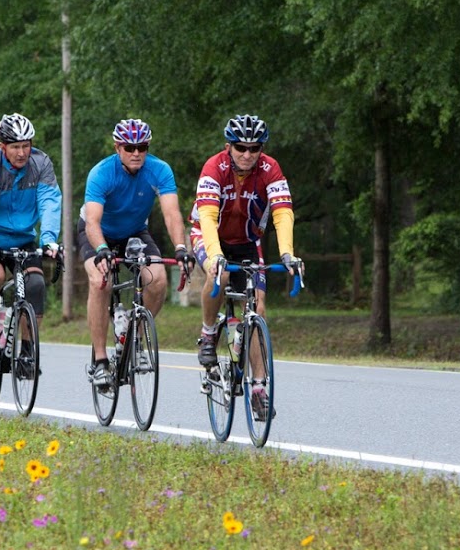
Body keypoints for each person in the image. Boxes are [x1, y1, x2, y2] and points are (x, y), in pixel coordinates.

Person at [190, 114, 301, 421]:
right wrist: (213, 257)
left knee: (258, 308)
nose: (248, 154)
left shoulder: (270, 169)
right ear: (229, 146)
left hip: (248, 241)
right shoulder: (214, 168)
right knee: (221, 274)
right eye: (241, 147)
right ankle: (209, 332)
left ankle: (259, 390)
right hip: (210, 235)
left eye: (255, 148)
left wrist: (288, 254)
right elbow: (208, 218)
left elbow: (282, 214)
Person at [77, 117, 193, 389]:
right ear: (118, 148)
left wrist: (180, 248)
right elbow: (92, 221)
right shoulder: (102, 172)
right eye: (129, 148)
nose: (136, 153)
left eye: (142, 147)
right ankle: (100, 360)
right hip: (98, 232)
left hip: (134, 231)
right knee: (100, 280)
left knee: (158, 279)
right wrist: (103, 249)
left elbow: (172, 213)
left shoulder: (159, 170)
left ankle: (134, 336)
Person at [0, 113, 62, 373]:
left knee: (36, 284)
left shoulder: (41, 163)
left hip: (24, 238)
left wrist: (49, 239)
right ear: (2, 147)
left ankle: (28, 352)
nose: (22, 153)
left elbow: (50, 202)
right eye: (15, 147)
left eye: (26, 145)